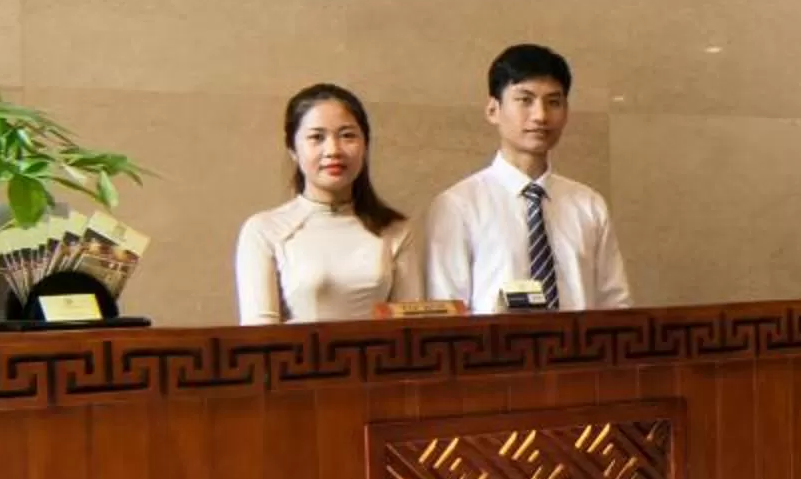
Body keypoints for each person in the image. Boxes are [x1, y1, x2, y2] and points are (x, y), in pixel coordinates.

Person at [419, 43, 631, 312]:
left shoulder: (588, 204)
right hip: (492, 352)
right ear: (493, 110)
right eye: (525, 100)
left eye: (553, 102)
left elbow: (615, 304)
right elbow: (446, 310)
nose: (540, 116)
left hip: (577, 351)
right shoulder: (458, 205)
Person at [235, 84, 419, 323]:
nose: (333, 150)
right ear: (293, 149)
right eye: (316, 138)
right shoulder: (265, 230)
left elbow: (410, 328)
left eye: (347, 136)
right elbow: (258, 334)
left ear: (365, 144)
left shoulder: (396, 229)